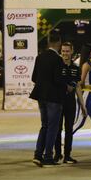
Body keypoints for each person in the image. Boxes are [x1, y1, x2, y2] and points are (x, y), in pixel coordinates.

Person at [29, 32, 68, 166]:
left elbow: (34, 78)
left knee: (44, 125)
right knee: (53, 127)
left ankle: (37, 154)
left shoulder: (39, 57)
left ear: (48, 41)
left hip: (41, 96)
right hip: (54, 98)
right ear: (58, 42)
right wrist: (66, 86)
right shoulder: (58, 59)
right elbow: (58, 79)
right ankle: (48, 157)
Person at [55, 42, 87, 164]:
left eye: (67, 51)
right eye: (63, 51)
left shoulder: (75, 68)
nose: (65, 53)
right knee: (57, 129)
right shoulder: (57, 66)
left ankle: (67, 155)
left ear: (72, 51)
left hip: (70, 103)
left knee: (69, 129)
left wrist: (83, 105)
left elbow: (78, 87)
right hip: (58, 102)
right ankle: (57, 154)